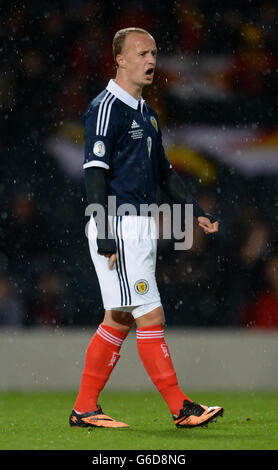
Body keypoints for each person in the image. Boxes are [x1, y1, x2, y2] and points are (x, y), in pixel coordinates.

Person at [69, 27, 224, 429]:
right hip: (117, 224)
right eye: (141, 53)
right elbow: (94, 176)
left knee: (119, 317)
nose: (150, 60)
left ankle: (85, 407)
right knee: (150, 315)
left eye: (154, 52)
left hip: (140, 225)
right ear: (119, 59)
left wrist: (194, 209)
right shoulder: (105, 108)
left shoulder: (148, 114)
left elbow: (164, 173)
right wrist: (103, 228)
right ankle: (180, 407)